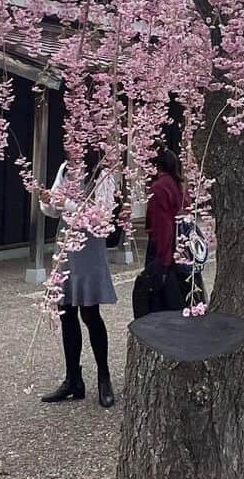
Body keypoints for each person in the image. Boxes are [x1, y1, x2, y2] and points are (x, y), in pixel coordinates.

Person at [41, 163, 118, 407]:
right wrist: (48, 201)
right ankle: (73, 378)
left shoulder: (102, 169)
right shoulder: (64, 167)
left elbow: (104, 213)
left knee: (90, 312)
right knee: (67, 311)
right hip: (66, 241)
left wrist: (68, 205)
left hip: (89, 243)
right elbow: (55, 209)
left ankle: (104, 377)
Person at [135, 146, 195, 315]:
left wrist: (163, 262)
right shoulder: (178, 186)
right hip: (181, 249)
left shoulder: (160, 188)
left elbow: (163, 227)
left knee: (159, 301)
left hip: (163, 250)